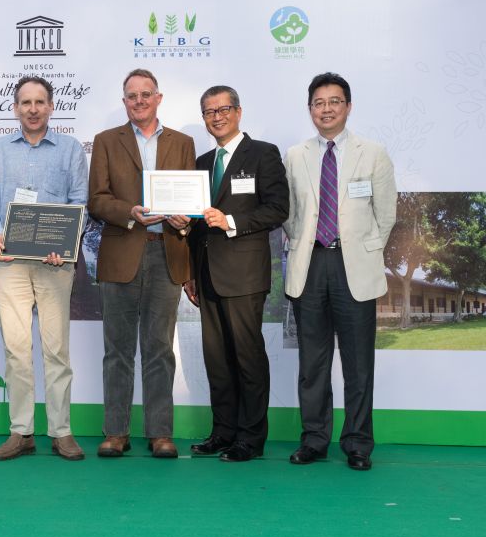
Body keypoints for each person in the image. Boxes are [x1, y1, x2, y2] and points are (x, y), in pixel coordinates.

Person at [283, 72, 397, 471]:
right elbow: (291, 216)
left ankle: (358, 442)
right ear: (310, 109)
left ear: (348, 106)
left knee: (358, 362)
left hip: (355, 267)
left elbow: (385, 216)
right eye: (318, 102)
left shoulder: (374, 153)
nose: (326, 109)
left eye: (334, 101)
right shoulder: (295, 155)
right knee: (312, 362)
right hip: (310, 264)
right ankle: (314, 439)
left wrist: (360, 250)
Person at [0, 76, 89, 462]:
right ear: (15, 108)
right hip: (10, 264)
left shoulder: (71, 149)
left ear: (51, 106)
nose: (33, 109)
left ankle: (61, 432)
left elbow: (80, 203)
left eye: (40, 101)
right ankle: (21, 431)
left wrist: (66, 244)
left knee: (57, 350)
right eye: (26, 102)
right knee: (17, 350)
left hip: (55, 265)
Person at [88, 68, 195, 458]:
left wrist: (185, 218)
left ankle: (160, 433)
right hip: (121, 253)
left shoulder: (183, 143)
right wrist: (130, 212)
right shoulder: (105, 141)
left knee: (159, 349)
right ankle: (115, 431)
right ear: (124, 102)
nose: (139, 101)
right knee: (116, 349)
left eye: (146, 94)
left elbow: (190, 197)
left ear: (159, 98)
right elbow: (97, 200)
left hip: (167, 252)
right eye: (131, 96)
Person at [182, 85, 290, 462]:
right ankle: (223, 432)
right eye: (209, 111)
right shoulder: (201, 162)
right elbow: (196, 224)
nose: (217, 116)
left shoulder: (263, 153)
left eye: (224, 109)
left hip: (244, 274)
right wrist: (187, 255)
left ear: (239, 112)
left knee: (247, 357)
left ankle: (250, 438)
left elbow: (278, 209)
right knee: (217, 358)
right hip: (206, 273)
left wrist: (229, 220)